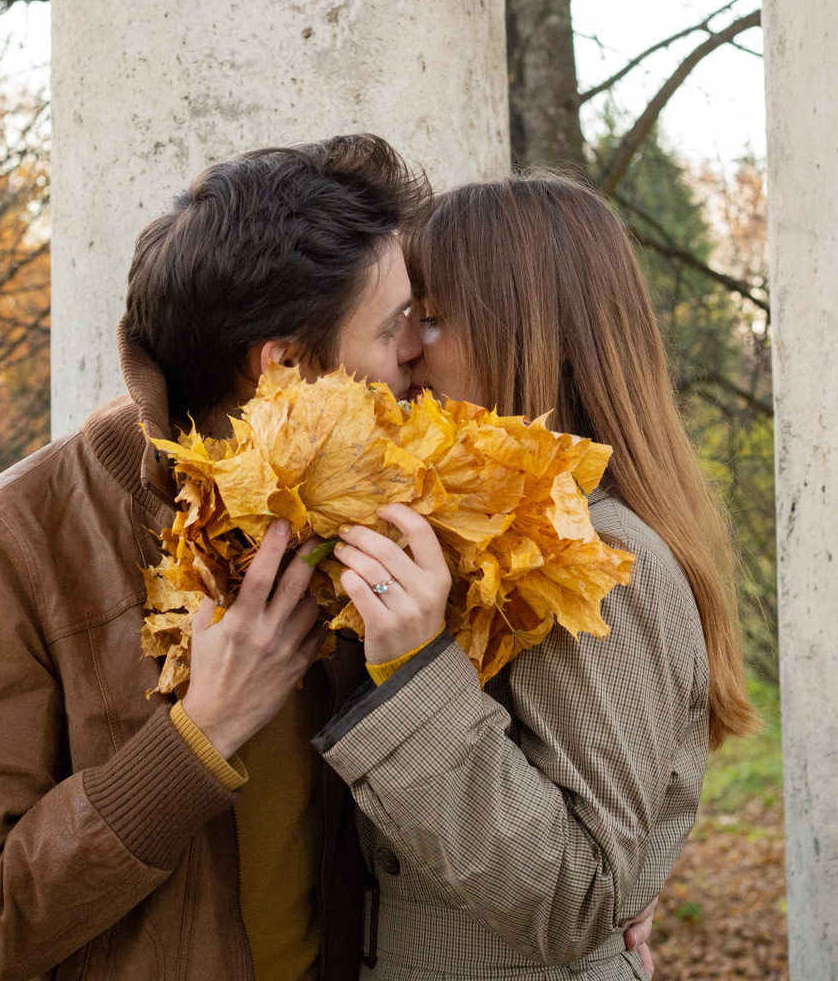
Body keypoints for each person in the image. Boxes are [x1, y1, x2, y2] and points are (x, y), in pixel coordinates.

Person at [0, 135, 431, 981]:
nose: (416, 354)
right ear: (286, 367)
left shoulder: (357, 512)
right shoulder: (5, 542)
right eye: (393, 326)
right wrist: (198, 736)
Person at [312, 173, 758, 979]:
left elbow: (581, 898)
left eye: (432, 318)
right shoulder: (482, 534)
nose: (407, 348)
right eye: (402, 319)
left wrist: (414, 672)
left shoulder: (597, 559)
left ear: (535, 336)